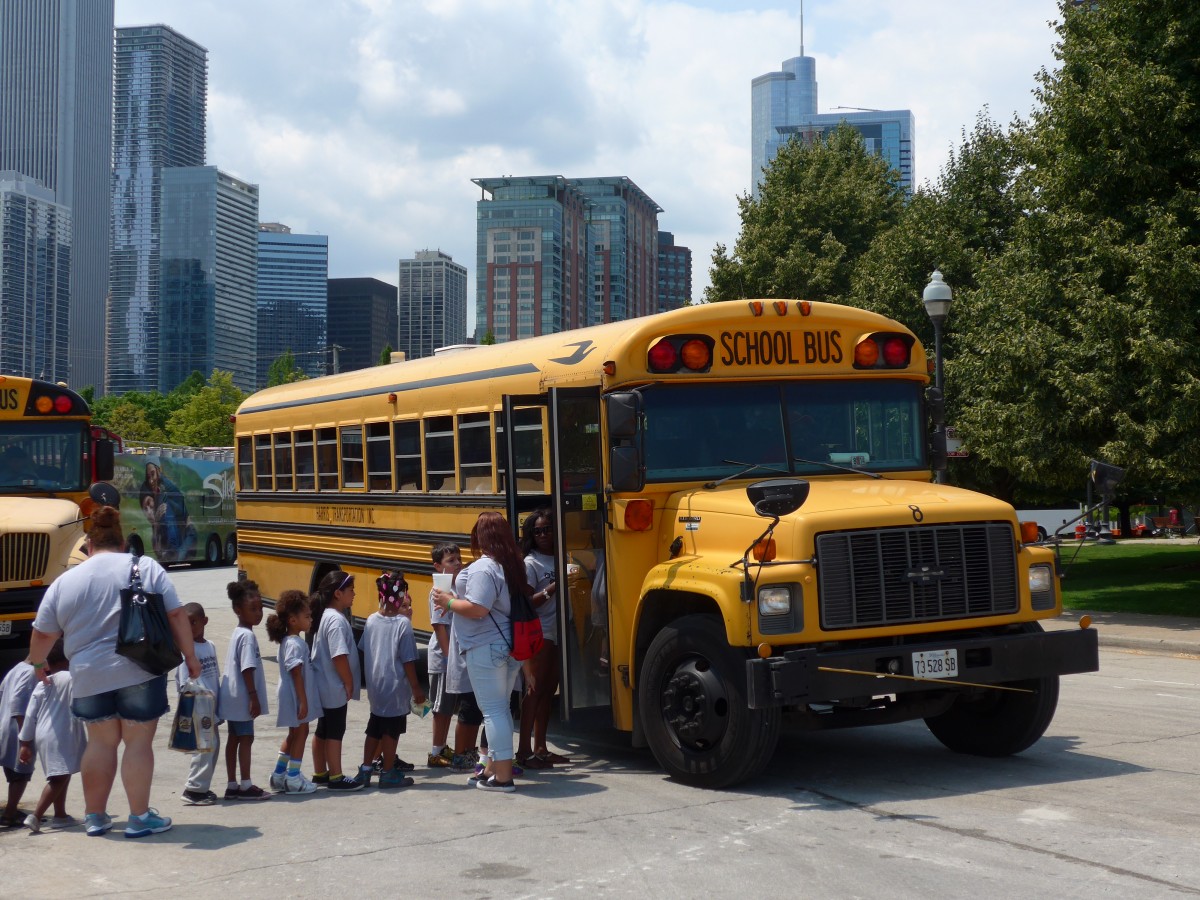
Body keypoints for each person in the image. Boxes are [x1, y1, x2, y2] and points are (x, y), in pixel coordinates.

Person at [26, 504, 199, 839]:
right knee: (137, 742)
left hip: (89, 675)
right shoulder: (145, 567)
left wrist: (37, 664)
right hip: (140, 670)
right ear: (123, 544)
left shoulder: (66, 581)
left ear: (88, 546)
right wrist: (190, 656)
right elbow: (176, 614)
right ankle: (139, 818)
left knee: (100, 743)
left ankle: (95, 817)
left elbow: (43, 633)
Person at [432, 511, 530, 793]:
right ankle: (491, 769)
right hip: (508, 646)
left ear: (480, 537)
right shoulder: (510, 565)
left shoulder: (483, 568)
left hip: (486, 646)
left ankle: (503, 777)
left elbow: (478, 608)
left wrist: (449, 602)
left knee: (493, 711)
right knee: (501, 708)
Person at [355, 571, 424, 788]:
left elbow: (365, 648)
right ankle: (387, 772)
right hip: (395, 687)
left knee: (374, 727)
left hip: (376, 686)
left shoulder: (371, 620)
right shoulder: (403, 625)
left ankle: (366, 769)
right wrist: (416, 689)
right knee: (391, 731)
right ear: (400, 596)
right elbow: (408, 660)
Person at [516, 509, 570, 768]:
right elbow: (528, 602)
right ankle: (524, 751)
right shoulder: (531, 563)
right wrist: (554, 586)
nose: (543, 535)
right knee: (534, 690)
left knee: (549, 691)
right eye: (537, 531)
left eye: (547, 529)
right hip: (541, 631)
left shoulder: (564, 555)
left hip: (561, 629)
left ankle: (540, 748)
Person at [17, 639, 85, 832]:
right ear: (67, 658)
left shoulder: (42, 684)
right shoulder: (71, 678)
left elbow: (30, 716)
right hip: (62, 733)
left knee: (61, 773)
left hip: (43, 734)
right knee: (58, 778)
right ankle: (36, 816)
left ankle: (60, 815)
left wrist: (25, 744)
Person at [308, 570, 363, 792]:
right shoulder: (336, 620)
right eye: (350, 590)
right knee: (335, 731)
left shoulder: (327, 616)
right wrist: (348, 682)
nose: (354, 594)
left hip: (324, 684)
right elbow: (339, 656)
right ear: (338, 594)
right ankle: (336, 776)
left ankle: (320, 772)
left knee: (323, 729)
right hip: (333, 686)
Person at [218, 580, 271, 801]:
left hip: (231, 695)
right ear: (238, 610)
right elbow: (247, 668)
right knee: (246, 738)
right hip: (242, 697)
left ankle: (232, 784)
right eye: (253, 609)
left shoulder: (239, 632)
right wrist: (253, 697)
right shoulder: (247, 637)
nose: (258, 613)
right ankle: (246, 784)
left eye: (260, 608)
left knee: (234, 738)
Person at [266, 590, 320, 794]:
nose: (310, 620)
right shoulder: (295, 643)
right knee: (302, 732)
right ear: (293, 620)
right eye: (307, 616)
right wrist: (303, 700)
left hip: (290, 694)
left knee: (294, 733)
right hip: (295, 695)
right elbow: (296, 672)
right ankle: (294, 777)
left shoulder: (289, 641)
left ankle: (279, 775)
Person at [175, 603, 222, 806]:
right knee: (203, 748)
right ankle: (193, 789)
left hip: (211, 706)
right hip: (198, 706)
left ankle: (202, 787)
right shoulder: (188, 650)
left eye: (194, 622)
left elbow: (214, 676)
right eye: (186, 624)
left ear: (205, 621)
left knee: (213, 746)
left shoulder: (210, 645)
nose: (190, 627)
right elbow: (184, 682)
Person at [426, 543, 462, 769]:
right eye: (451, 560)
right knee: (441, 708)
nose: (457, 563)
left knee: (449, 706)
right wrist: (450, 659)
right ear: (438, 566)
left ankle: (442, 747)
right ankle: (435, 751)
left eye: (459, 559)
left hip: (452, 656)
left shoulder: (455, 588)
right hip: (443, 658)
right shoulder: (438, 592)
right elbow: (439, 627)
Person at [0, 657, 37, 827]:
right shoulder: (30, 673)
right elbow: (19, 705)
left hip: (5, 725)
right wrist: (25, 741)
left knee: (12, 771)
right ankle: (9, 814)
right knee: (21, 773)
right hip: (18, 729)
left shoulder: (16, 669)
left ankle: (11, 810)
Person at [139, 461, 195, 562]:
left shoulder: (164, 502)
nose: (149, 511)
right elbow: (158, 553)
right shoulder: (156, 523)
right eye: (145, 509)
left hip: (187, 532)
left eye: (153, 474)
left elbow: (172, 540)